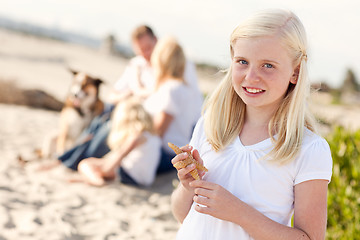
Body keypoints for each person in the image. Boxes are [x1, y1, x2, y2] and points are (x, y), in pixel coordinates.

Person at [170, 9, 333, 240]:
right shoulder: (212, 125)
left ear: (295, 72)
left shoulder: (308, 149)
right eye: (243, 61)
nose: (251, 76)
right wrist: (188, 187)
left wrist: (240, 213)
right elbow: (182, 215)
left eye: (268, 65)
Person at [143, 36, 202, 173]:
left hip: (164, 154)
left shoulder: (171, 89)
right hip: (171, 154)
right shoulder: (182, 88)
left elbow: (158, 131)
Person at [77, 97, 161, 187]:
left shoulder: (136, 135)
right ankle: (93, 178)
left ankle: (98, 181)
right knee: (97, 164)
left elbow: (121, 154)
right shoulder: (152, 135)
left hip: (131, 174)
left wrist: (105, 169)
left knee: (85, 164)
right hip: (146, 178)